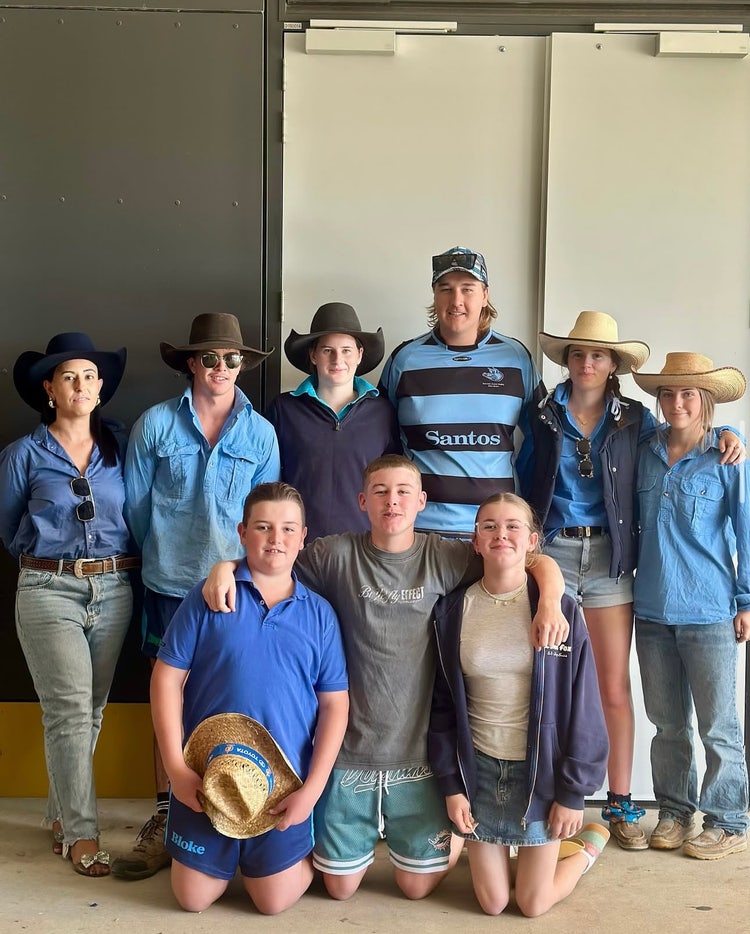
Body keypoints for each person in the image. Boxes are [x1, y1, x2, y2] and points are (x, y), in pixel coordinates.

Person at [202, 454, 569, 900]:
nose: (391, 502)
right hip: (351, 754)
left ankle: (446, 838)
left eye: (402, 493)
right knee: (339, 889)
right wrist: (225, 567)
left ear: (421, 502)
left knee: (415, 888)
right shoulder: (335, 554)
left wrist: (551, 596)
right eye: (380, 492)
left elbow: (525, 559)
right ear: (362, 501)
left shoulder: (446, 556)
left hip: (418, 754)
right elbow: (271, 559)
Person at [517, 311, 746, 850]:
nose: (588, 362)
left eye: (599, 355)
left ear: (614, 364)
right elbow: (524, 474)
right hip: (552, 552)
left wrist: (729, 432)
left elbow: (697, 448)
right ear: (568, 362)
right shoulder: (544, 416)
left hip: (613, 564)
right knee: (547, 682)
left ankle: (629, 806)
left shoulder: (636, 423)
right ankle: (545, 797)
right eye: (578, 353)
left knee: (617, 690)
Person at [115, 313, 280, 880]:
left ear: (243, 365)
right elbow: (135, 509)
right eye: (209, 357)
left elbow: (265, 519)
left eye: (231, 359)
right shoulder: (155, 425)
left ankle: (230, 813)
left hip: (236, 590)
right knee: (168, 701)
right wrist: (165, 555)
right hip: (166, 586)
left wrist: (236, 567)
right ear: (191, 363)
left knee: (230, 696)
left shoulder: (260, 434)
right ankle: (167, 817)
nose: (221, 368)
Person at [151, 482, 349, 913]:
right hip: (210, 777)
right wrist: (175, 769)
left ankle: (282, 859)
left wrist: (311, 791)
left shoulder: (320, 614)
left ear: (303, 537)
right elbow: (165, 679)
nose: (275, 539)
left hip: (282, 782)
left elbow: (335, 704)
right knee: (192, 899)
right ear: (242, 533)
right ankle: (221, 858)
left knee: (272, 902)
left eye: (287, 529)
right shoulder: (207, 599)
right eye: (263, 527)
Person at [428, 493, 609, 916]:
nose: (500, 534)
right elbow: (442, 705)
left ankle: (585, 851)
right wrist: (452, 787)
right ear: (475, 541)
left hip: (540, 773)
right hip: (482, 770)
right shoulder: (451, 611)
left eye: (512, 526)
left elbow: (584, 706)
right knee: (491, 904)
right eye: (489, 526)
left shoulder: (560, 611)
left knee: (532, 902)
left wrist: (573, 793)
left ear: (532, 540)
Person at [0, 332, 138, 877]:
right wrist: (51, 561)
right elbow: (10, 529)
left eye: (88, 376)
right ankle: (82, 834)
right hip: (46, 589)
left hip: (115, 587)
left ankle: (60, 815)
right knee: (69, 712)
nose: (80, 384)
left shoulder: (120, 450)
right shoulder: (21, 456)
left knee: (91, 710)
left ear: (100, 388)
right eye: (67, 377)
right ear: (49, 391)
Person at [631, 352, 749, 859]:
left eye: (688, 394)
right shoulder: (642, 450)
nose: (677, 402)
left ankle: (727, 819)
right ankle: (675, 812)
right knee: (666, 723)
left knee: (718, 724)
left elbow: (746, 532)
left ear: (706, 401)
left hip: (710, 609)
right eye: (668, 393)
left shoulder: (728, 458)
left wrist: (746, 600)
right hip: (651, 609)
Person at [379, 246, 541, 536]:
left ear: (485, 295)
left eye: (468, 289)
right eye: (446, 289)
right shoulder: (404, 360)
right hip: (421, 534)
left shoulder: (516, 358)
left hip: (495, 536)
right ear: (434, 295)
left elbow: (540, 442)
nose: (456, 301)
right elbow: (380, 441)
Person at [265, 302, 400, 540]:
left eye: (346, 350)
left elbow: (392, 483)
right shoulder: (284, 409)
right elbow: (269, 483)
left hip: (365, 547)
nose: (338, 359)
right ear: (313, 355)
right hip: (296, 546)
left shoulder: (382, 412)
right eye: (327, 350)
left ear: (359, 355)